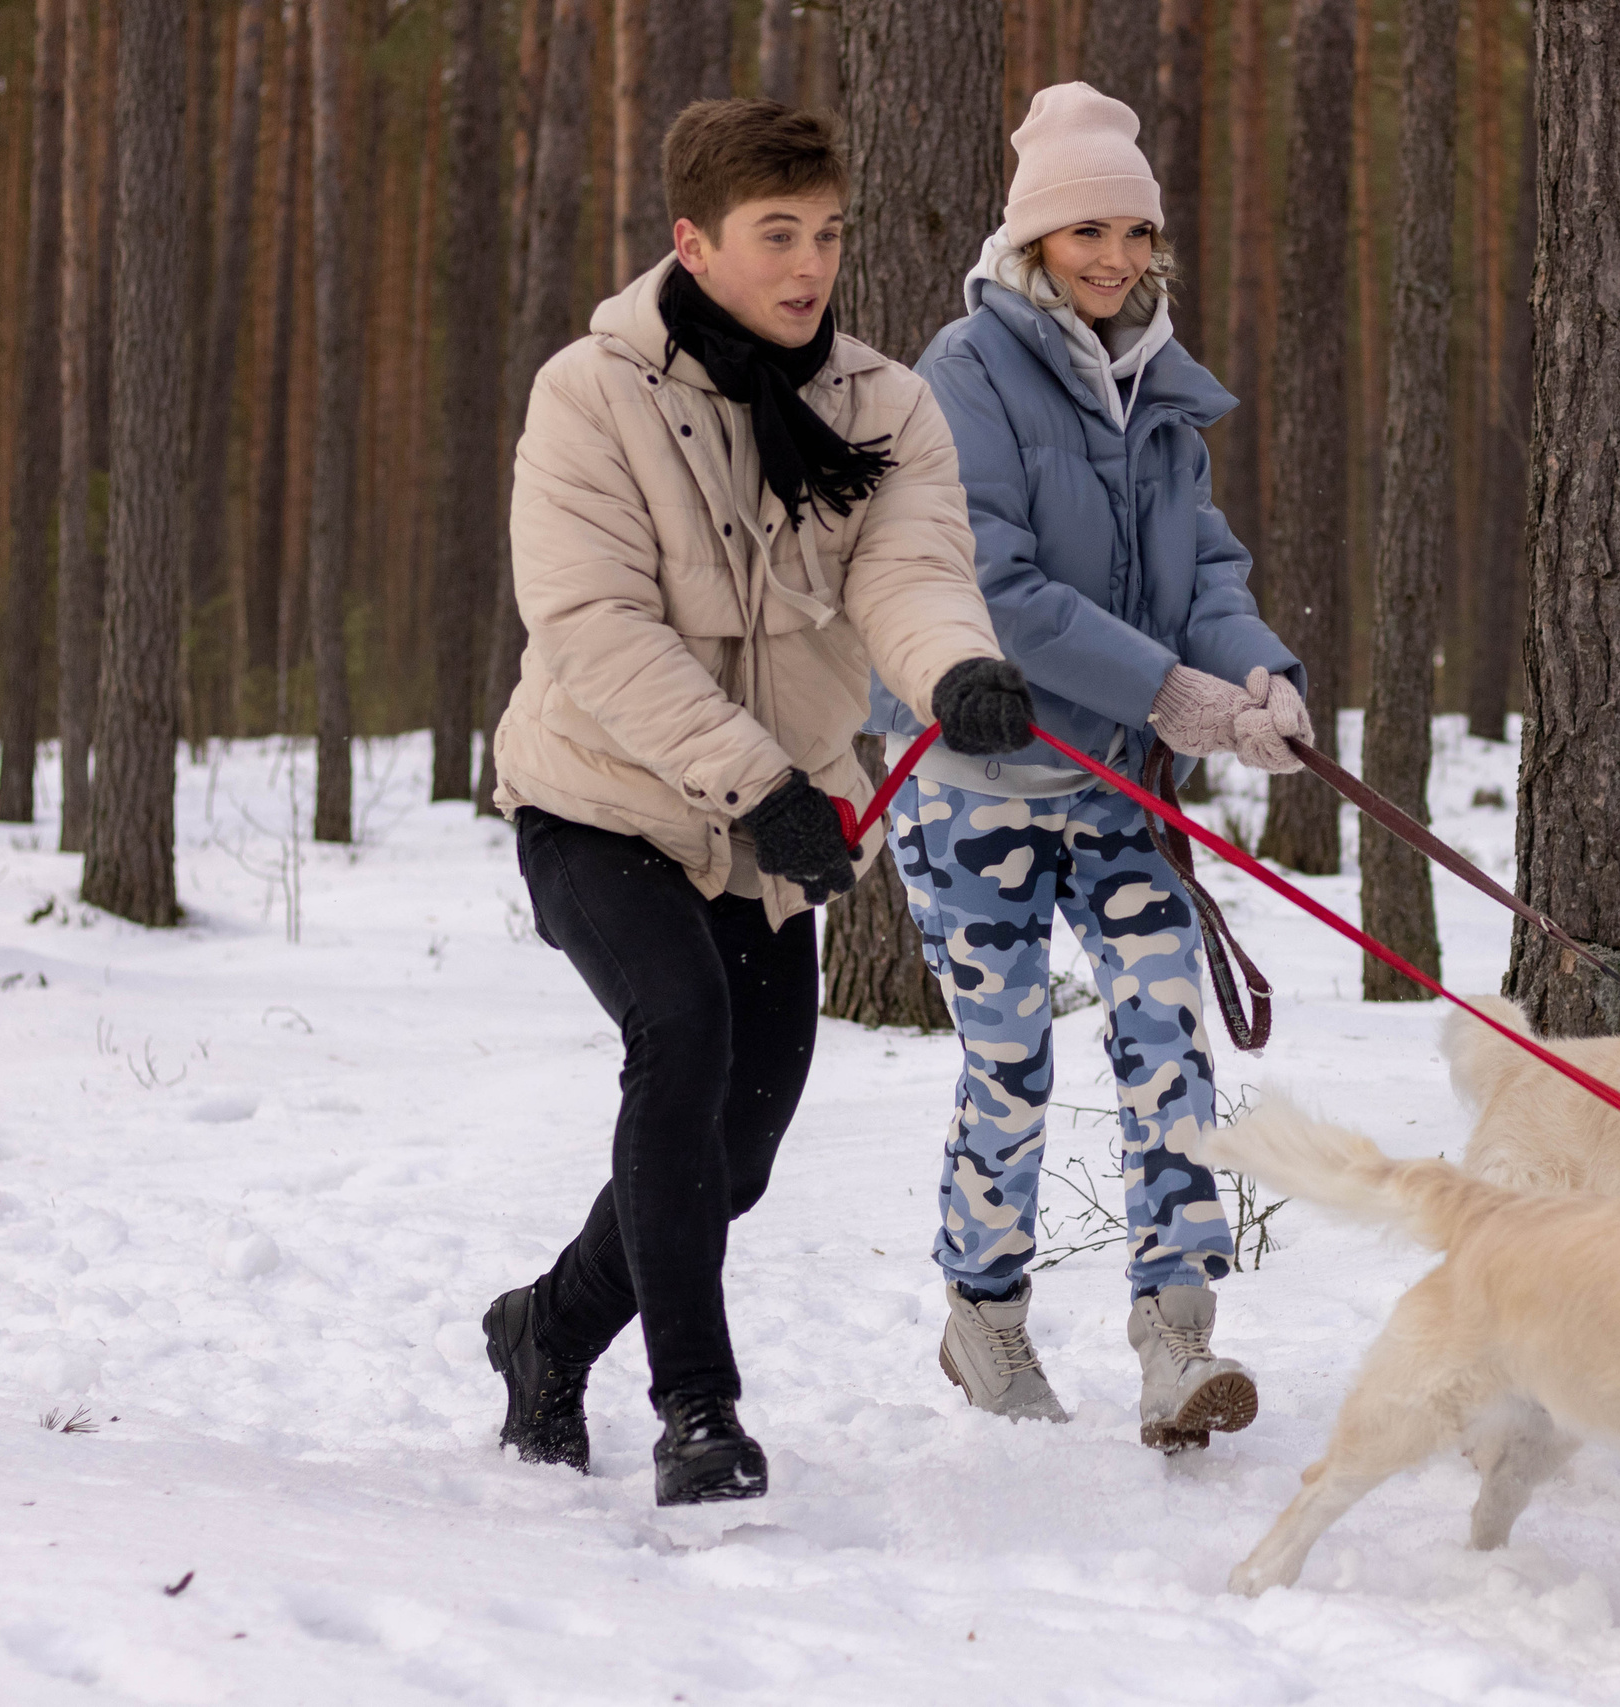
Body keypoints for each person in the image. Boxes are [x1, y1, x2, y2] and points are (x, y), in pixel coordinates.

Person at [479, 97, 1036, 1505]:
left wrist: (959, 670)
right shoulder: (588, 395)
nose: (809, 266)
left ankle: (542, 1329)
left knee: (735, 1155)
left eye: (828, 235)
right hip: (600, 802)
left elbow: (906, 574)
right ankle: (698, 1411)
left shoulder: (881, 405)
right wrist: (766, 781)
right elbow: (595, 626)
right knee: (683, 1032)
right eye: (776, 235)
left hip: (773, 830)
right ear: (694, 242)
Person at [870, 82, 1312, 1453]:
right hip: (969, 777)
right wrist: (1174, 693)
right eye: (1084, 233)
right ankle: (983, 1313)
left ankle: (1177, 1343)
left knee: (1167, 1043)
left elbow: (1208, 572)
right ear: (1032, 242)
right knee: (1007, 1061)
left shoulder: (1160, 386)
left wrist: (1255, 676)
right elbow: (990, 584)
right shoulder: (963, 374)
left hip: (1112, 783)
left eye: (1133, 230)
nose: (1113, 258)